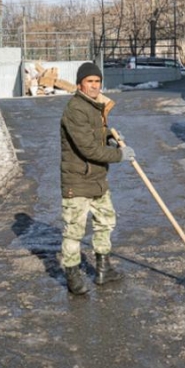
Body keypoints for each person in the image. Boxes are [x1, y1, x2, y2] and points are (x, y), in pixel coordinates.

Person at [59, 62, 135, 295]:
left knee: (106, 222)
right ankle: (72, 275)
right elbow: (88, 149)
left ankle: (103, 269)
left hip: (98, 179)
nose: (94, 85)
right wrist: (118, 154)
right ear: (80, 84)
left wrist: (110, 140)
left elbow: (97, 139)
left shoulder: (94, 107)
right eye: (90, 81)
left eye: (97, 81)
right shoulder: (75, 109)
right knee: (74, 230)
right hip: (78, 180)